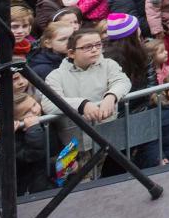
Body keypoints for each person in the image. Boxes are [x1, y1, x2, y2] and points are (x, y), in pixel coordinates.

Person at [40, 28, 131, 180]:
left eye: (98, 44)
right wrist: (82, 104)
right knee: (72, 183)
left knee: (101, 179)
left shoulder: (109, 64)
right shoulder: (56, 76)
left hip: (104, 136)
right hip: (72, 143)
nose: (95, 49)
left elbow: (122, 81)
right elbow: (49, 103)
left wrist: (111, 96)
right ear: (71, 53)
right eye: (87, 47)